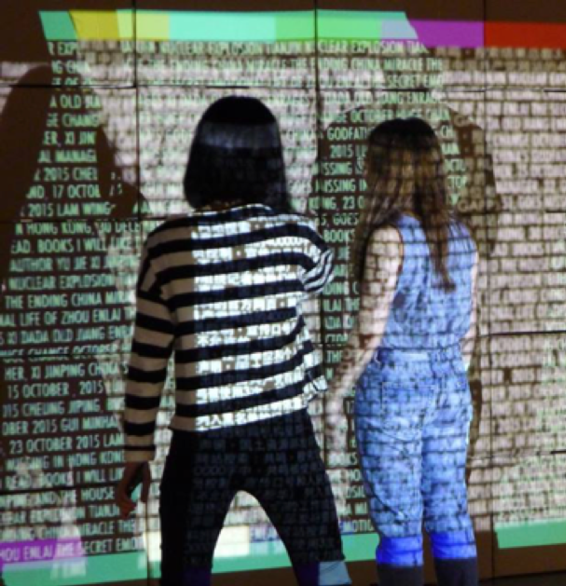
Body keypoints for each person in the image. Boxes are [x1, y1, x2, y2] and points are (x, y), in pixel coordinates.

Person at [114, 96, 351, 586]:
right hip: (285, 432)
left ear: (201, 159)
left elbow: (148, 359)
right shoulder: (299, 237)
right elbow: (318, 277)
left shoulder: (166, 244)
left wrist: (137, 449)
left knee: (186, 572)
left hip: (202, 439)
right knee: (324, 568)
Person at [325, 118, 479, 586]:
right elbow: (470, 329)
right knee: (451, 509)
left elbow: (368, 333)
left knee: (398, 522)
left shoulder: (388, 238)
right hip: (451, 382)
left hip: (393, 388)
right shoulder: (462, 234)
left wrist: (335, 394)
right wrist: (445, 376)